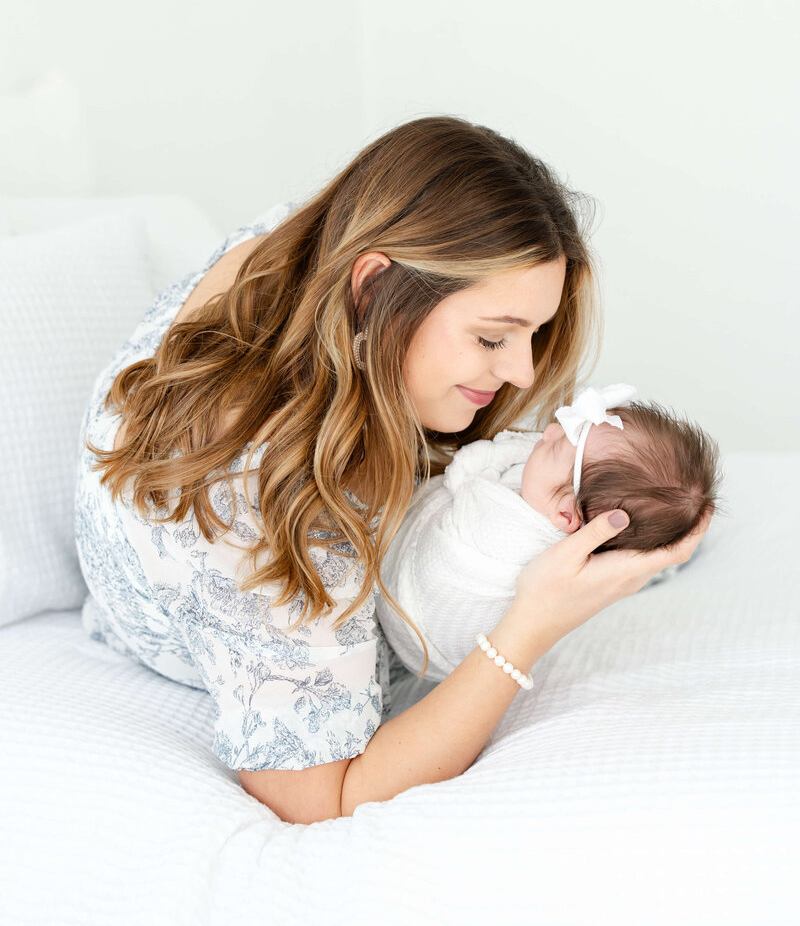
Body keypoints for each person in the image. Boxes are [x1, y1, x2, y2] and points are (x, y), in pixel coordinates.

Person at [73, 116, 711, 825]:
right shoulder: (255, 494)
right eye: (492, 336)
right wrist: (534, 622)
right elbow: (321, 799)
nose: (524, 371)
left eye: (529, 333)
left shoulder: (301, 248)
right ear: (374, 286)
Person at [375, 383, 722, 682]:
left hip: (419, 620)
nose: (549, 432)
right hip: (426, 648)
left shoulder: (500, 519)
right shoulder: (557, 506)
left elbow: (461, 474)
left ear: (566, 514)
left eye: (558, 446)